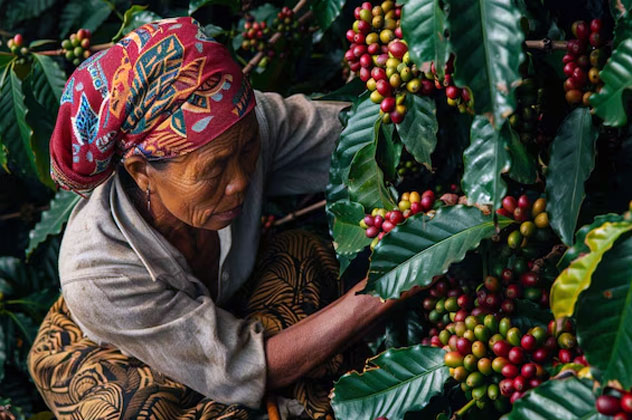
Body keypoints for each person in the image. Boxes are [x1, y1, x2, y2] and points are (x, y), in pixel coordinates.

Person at [28, 17, 406, 420]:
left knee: (304, 256)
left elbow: (368, 140)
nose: (240, 182)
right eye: (215, 169)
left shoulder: (244, 125)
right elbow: (246, 368)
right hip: (123, 348)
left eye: (247, 151)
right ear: (142, 172)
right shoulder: (98, 272)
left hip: (225, 307)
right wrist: (398, 277)